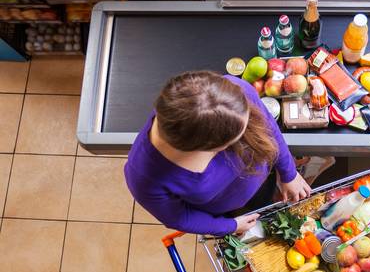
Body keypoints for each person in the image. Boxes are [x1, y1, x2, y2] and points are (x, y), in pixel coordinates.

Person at [124, 70, 312, 236]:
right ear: (210, 150)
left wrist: (288, 173)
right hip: (226, 208)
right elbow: (179, 217)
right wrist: (229, 225)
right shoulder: (144, 180)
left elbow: (268, 126)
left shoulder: (231, 93)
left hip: (261, 182)